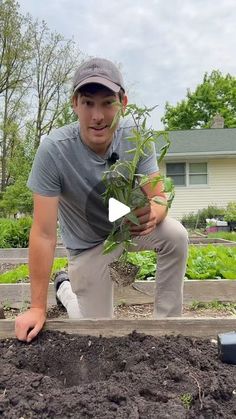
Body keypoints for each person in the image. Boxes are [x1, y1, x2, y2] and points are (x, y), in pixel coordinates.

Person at [15, 57, 188, 342]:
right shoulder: (54, 151)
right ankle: (66, 291)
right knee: (99, 334)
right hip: (88, 247)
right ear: (74, 104)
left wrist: (157, 210)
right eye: (88, 103)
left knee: (175, 235)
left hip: (125, 230)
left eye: (108, 103)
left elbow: (158, 196)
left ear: (124, 102)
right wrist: (36, 307)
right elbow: (44, 233)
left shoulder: (135, 137)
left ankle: (166, 331)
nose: (97, 116)